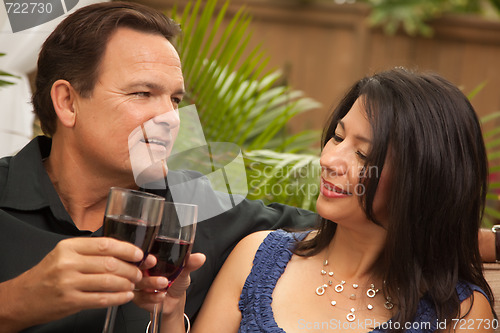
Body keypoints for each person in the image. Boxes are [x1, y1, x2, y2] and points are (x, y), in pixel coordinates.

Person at [0, 2, 317, 332]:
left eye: (175, 100)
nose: (170, 118)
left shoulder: (196, 205)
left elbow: (344, 233)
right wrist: (14, 301)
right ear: (68, 102)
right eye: (142, 93)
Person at [164, 68, 496, 333]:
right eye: (337, 136)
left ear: (423, 181)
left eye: (364, 154)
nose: (330, 159)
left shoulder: (461, 316)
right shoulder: (256, 258)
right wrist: (170, 311)